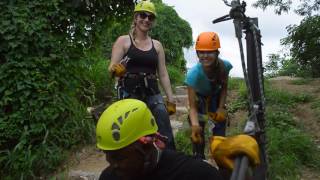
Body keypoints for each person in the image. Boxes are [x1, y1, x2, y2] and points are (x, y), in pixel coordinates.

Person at [96, 99, 222, 180]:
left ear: (146, 146)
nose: (113, 165)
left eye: (119, 158)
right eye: (109, 156)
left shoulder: (196, 174)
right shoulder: (110, 177)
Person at [108, 0, 176, 150]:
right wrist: (116, 70)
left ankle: (170, 158)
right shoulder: (123, 41)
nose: (146, 19)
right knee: (134, 132)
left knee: (162, 120)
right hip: (130, 92)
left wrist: (170, 99)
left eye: (150, 17)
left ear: (153, 22)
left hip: (152, 92)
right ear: (135, 17)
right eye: (143, 15)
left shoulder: (157, 45)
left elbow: (163, 74)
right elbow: (111, 67)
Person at [185, 32, 233, 159]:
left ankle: (220, 159)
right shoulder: (193, 75)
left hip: (216, 98)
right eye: (201, 52)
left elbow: (224, 88)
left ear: (217, 53)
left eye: (210, 52)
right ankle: (199, 158)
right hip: (199, 101)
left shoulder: (225, 66)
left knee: (219, 137)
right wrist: (195, 126)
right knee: (198, 138)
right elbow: (193, 107)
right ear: (197, 54)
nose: (205, 56)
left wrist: (221, 107)